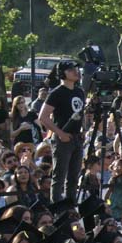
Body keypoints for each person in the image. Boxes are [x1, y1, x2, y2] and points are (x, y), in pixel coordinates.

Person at [38, 60, 87, 203]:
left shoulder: (79, 91)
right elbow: (43, 117)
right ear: (62, 73)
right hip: (62, 138)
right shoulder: (57, 93)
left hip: (77, 137)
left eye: (76, 69)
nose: (75, 72)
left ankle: (71, 205)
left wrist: (83, 129)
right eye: (71, 70)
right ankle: (57, 206)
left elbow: (81, 113)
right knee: (59, 176)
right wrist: (60, 133)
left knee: (74, 176)